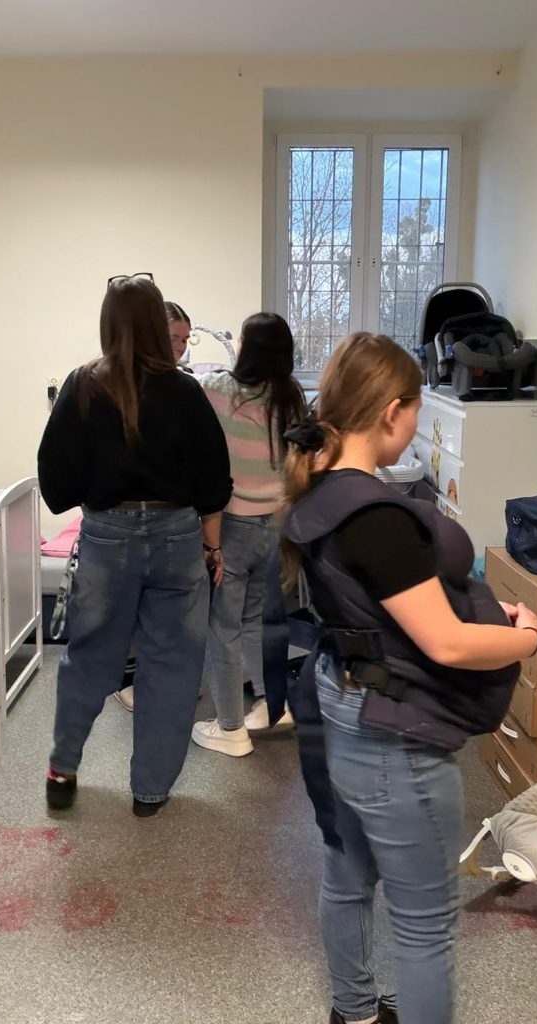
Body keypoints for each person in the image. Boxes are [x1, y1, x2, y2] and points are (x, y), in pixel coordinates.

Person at [277, 332, 537, 1024]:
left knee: (347, 876)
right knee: (426, 928)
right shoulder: (374, 517)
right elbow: (446, 643)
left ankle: (355, 1010)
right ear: (392, 410)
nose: (417, 424)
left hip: (342, 699)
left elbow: (382, 608)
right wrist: (524, 638)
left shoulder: (323, 492)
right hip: (392, 736)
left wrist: (485, 609)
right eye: (417, 409)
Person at [38, 274, 231, 817]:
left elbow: (55, 482)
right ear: (154, 324)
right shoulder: (185, 391)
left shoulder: (82, 385)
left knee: (89, 658)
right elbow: (214, 479)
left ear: (108, 323)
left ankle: (62, 770)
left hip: (107, 538)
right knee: (171, 666)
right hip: (177, 539)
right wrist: (213, 548)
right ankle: (149, 792)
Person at [191, 312, 305, 757]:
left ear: (246, 347)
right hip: (276, 524)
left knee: (223, 626)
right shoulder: (291, 398)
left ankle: (231, 728)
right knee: (255, 617)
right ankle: (272, 703)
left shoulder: (218, 390)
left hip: (232, 525)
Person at [113, 297, 197, 715]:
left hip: (171, 516)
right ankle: (130, 681)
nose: (179, 347)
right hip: (125, 515)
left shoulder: (184, 386)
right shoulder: (117, 384)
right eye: (173, 338)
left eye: (185, 339)